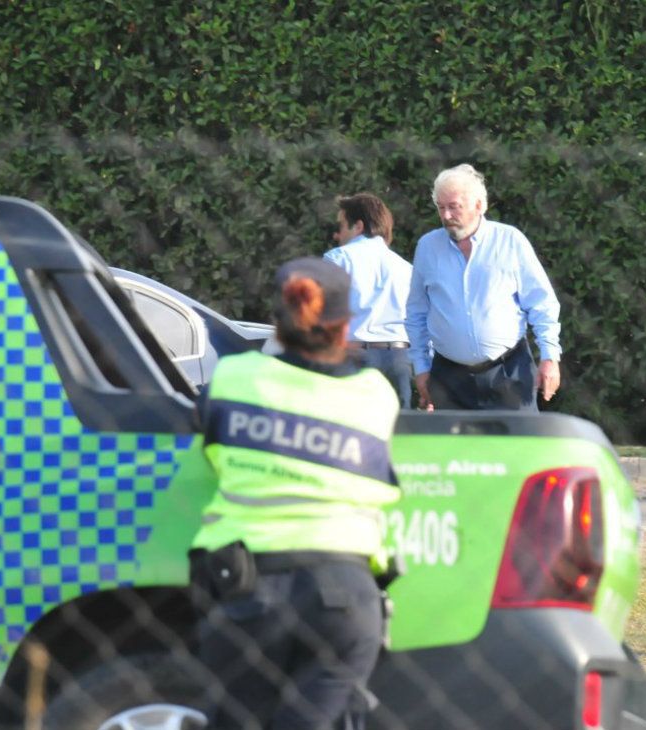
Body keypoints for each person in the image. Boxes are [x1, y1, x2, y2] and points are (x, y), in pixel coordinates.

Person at [189, 257, 401, 730]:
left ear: (278, 325)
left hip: (247, 588)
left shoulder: (234, 378)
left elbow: (206, 433)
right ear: (345, 328)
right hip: (345, 598)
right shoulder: (376, 395)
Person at [406, 164, 562, 411]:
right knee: (455, 451)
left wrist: (550, 356)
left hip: (508, 372)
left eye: (454, 207)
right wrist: (421, 368)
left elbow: (541, 303)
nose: (446, 216)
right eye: (441, 208)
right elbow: (416, 313)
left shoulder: (510, 241)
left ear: (479, 205)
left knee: (516, 449)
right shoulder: (427, 247)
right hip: (449, 378)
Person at [322, 193, 414, 409]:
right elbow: (420, 321)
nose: (337, 234)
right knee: (399, 435)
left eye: (342, 226)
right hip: (400, 359)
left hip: (354, 357)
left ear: (358, 226)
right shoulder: (406, 268)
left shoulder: (338, 258)